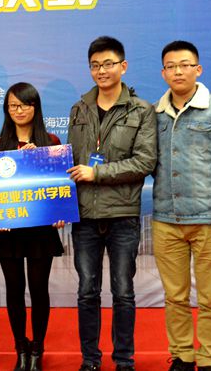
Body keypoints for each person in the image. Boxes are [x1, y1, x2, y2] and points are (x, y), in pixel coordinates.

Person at [152, 41, 211, 371]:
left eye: (184, 65)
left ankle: (209, 359)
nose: (177, 71)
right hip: (165, 220)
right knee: (174, 297)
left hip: (209, 222)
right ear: (163, 73)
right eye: (171, 66)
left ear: (198, 69)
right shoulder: (154, 115)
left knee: (210, 299)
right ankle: (181, 355)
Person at [66, 36, 157, 371]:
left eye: (107, 64)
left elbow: (144, 162)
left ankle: (124, 360)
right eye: (95, 65)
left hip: (122, 216)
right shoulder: (79, 108)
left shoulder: (142, 111)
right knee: (86, 291)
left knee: (123, 292)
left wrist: (98, 173)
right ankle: (90, 360)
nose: (101, 71)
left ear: (123, 66)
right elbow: (70, 161)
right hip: (85, 217)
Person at [0, 82, 65, 371]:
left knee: (39, 289)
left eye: (24, 105)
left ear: (35, 107)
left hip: (41, 231)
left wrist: (59, 213)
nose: (18, 110)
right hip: (8, 231)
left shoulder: (51, 142)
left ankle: (37, 349)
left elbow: (58, 186)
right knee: (14, 290)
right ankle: (20, 347)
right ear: (6, 109)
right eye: (12, 106)